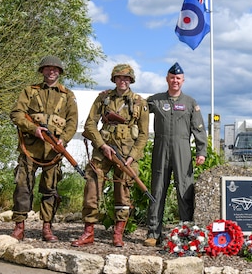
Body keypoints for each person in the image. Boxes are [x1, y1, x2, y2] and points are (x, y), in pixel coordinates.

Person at [71, 64, 149, 248]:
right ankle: (88, 232)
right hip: (103, 151)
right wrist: (102, 145)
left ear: (131, 81)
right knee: (92, 188)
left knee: (123, 192)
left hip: (126, 153)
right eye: (120, 78)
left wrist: (132, 156)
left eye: (127, 78)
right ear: (114, 79)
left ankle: (118, 234)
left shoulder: (139, 103)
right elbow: (90, 124)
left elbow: (144, 134)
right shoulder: (103, 98)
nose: (123, 81)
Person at [9, 56, 78, 242]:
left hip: (53, 152)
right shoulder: (29, 91)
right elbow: (16, 114)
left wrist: (64, 139)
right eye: (47, 68)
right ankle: (19, 226)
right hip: (30, 149)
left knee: (50, 190)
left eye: (55, 69)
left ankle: (47, 227)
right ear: (42, 71)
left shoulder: (68, 95)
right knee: (23, 186)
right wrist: (34, 128)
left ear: (60, 72)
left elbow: (72, 122)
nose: (51, 71)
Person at [144, 62, 207, 247]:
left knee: (184, 190)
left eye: (178, 78)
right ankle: (153, 233)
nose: (175, 81)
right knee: (157, 190)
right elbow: (137, 109)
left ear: (183, 80)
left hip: (183, 151)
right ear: (167, 79)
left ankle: (185, 231)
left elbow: (199, 129)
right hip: (160, 150)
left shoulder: (190, 103)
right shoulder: (155, 100)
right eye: (172, 78)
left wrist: (201, 151)